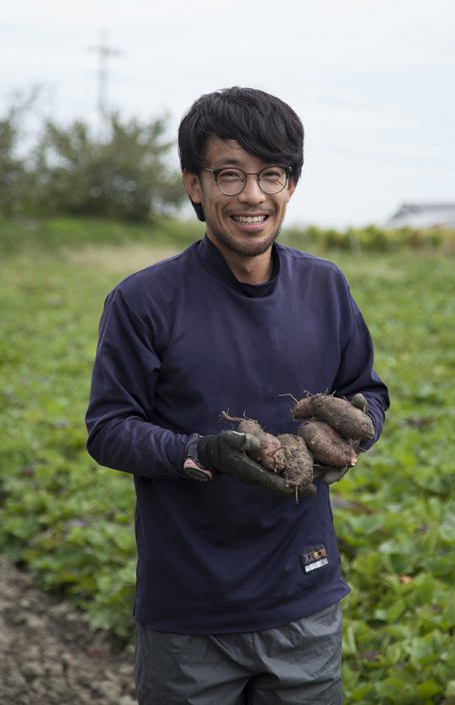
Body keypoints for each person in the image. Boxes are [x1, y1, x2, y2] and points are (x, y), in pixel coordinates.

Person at [86, 86, 389, 705]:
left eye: (270, 175)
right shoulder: (143, 301)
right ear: (194, 186)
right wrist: (200, 452)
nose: (252, 195)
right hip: (190, 615)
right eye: (229, 175)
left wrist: (357, 429)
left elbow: (366, 390)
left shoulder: (325, 287)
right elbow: (110, 427)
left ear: (291, 185)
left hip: (304, 601)